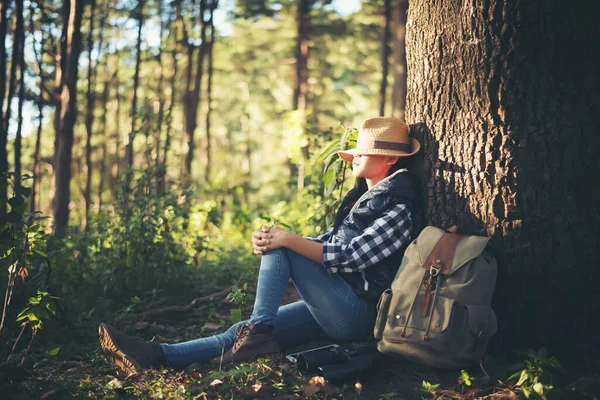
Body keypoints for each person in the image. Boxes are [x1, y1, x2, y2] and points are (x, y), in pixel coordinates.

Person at [98, 116, 426, 374]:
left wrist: (285, 241)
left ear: (390, 158)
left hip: (357, 314)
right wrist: (276, 238)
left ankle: (259, 333)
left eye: (362, 152)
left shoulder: (398, 205)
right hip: (337, 302)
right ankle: (155, 355)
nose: (353, 157)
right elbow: (326, 243)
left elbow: (352, 257)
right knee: (243, 330)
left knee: (282, 250)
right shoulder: (363, 198)